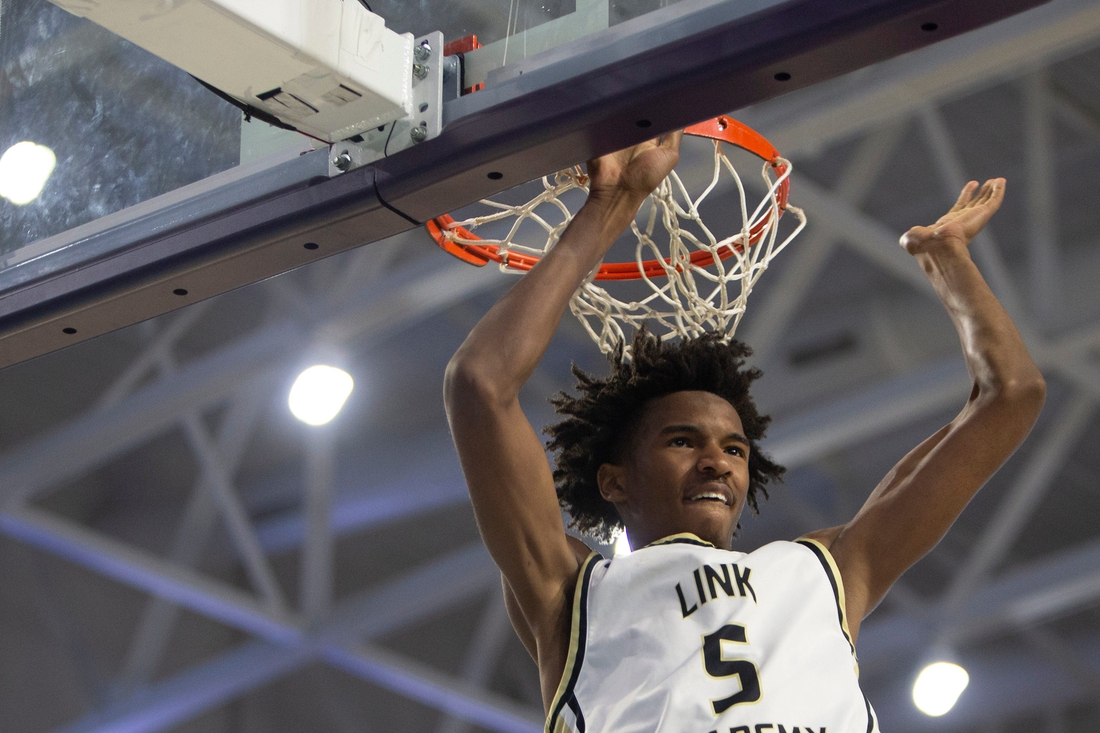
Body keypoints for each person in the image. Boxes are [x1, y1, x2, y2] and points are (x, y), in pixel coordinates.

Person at [443, 131, 1045, 732]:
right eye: (682, 441)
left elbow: (1012, 396)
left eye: (734, 448)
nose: (716, 461)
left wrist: (949, 259)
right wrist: (612, 204)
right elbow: (479, 382)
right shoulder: (574, 590)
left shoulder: (824, 572)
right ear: (614, 481)